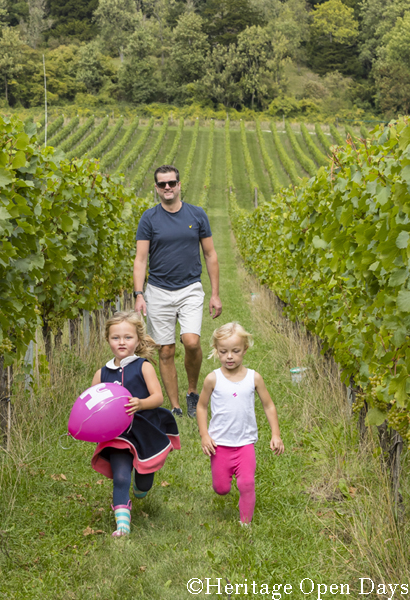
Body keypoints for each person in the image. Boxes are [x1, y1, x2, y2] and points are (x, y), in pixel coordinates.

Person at [133, 165, 222, 420]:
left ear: (180, 184)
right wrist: (139, 293)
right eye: (162, 184)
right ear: (156, 188)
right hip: (158, 291)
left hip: (190, 288)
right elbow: (140, 259)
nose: (167, 188)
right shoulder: (149, 219)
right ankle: (175, 407)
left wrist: (215, 294)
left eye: (171, 183)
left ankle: (192, 392)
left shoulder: (197, 214)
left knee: (192, 341)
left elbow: (210, 254)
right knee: (166, 350)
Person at [89, 311, 181, 537]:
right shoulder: (101, 373)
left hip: (143, 431)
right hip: (117, 436)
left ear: (138, 340)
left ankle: (141, 488)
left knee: (144, 481)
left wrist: (140, 404)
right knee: (121, 476)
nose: (122, 342)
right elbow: (91, 403)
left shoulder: (144, 366)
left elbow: (158, 398)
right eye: (116, 337)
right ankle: (123, 527)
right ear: (107, 339)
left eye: (128, 337)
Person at [195, 322, 284, 524]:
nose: (229, 356)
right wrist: (204, 435)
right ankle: (225, 485)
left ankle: (245, 523)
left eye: (235, 351)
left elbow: (269, 406)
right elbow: (201, 406)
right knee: (221, 488)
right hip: (220, 444)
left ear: (245, 349)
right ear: (216, 351)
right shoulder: (212, 379)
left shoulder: (254, 378)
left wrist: (275, 434)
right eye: (223, 351)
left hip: (245, 442)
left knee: (246, 483)